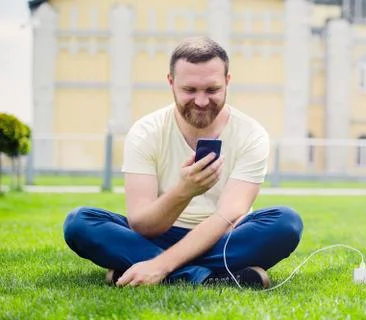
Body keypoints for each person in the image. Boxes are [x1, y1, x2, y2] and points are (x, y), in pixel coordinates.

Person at [63, 36, 303, 289]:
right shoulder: (146, 131)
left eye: (212, 90)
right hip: (158, 235)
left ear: (227, 82)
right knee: (80, 222)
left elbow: (228, 216)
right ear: (171, 82)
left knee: (286, 223)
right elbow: (142, 223)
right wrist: (185, 191)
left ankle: (144, 268)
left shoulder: (251, 134)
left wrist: (160, 265)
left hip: (223, 237)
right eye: (190, 90)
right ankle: (208, 277)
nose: (201, 101)